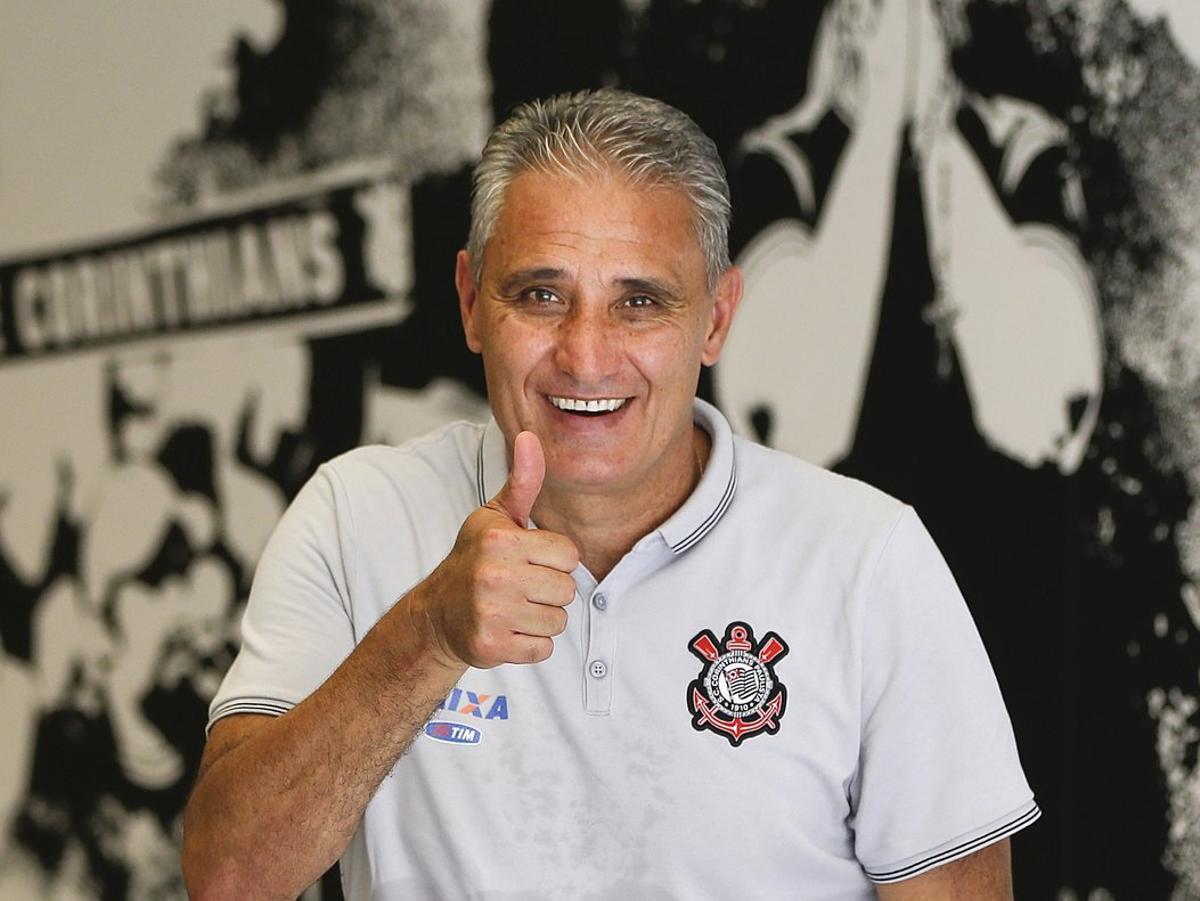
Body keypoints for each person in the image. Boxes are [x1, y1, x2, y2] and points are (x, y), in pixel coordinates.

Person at [181, 88, 1039, 899]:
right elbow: (227, 877)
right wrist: (427, 636)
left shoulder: (866, 558)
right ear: (471, 301)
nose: (586, 357)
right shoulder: (353, 515)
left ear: (716, 319)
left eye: (639, 302)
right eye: (541, 294)